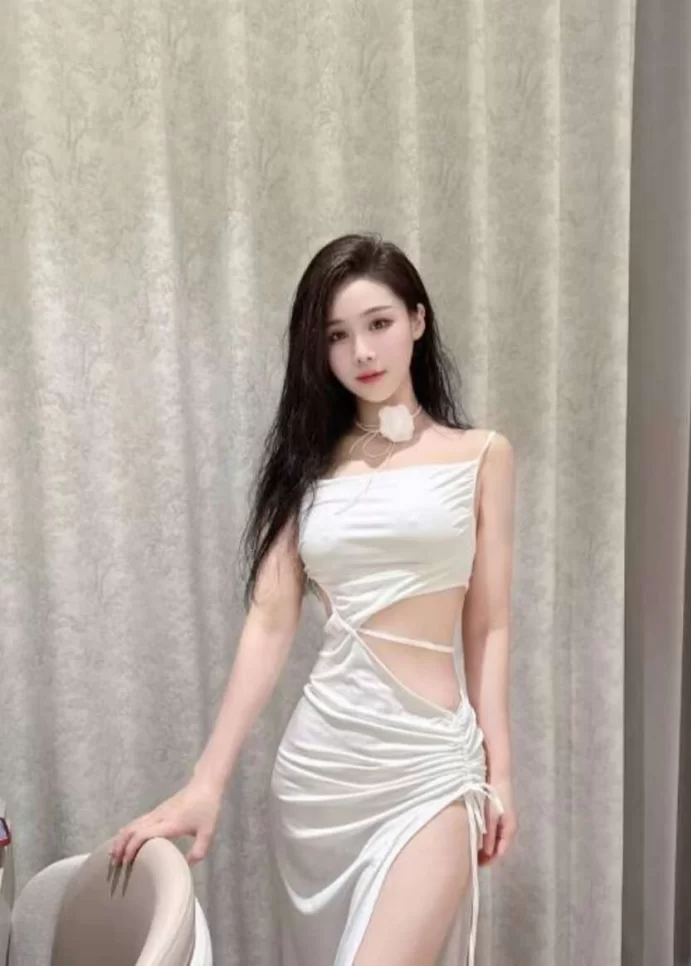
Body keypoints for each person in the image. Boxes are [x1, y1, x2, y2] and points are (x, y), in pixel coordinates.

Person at [109, 233, 517, 965]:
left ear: (418, 320)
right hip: (321, 774)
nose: (362, 351)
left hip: (430, 765)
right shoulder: (306, 469)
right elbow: (269, 623)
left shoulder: (483, 454)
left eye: (379, 323)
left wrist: (502, 771)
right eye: (336, 335)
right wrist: (207, 782)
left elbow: (488, 626)